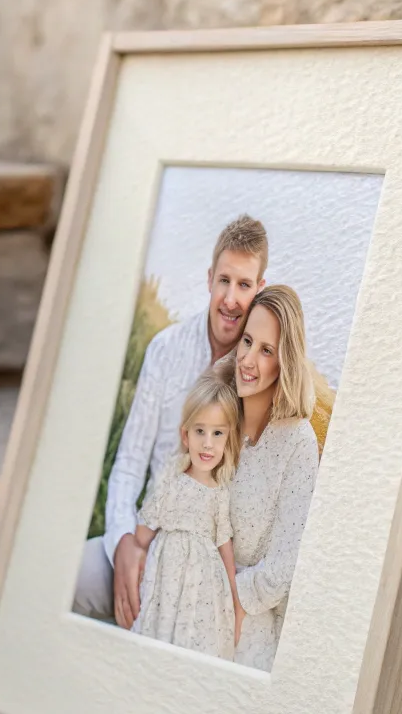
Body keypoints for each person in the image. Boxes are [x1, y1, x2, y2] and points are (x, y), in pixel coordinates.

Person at [73, 213, 268, 625]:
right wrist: (124, 541)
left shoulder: (255, 376)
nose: (232, 299)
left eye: (245, 285)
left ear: (259, 289)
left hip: (200, 566)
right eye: (225, 281)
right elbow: (129, 462)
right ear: (210, 278)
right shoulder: (165, 350)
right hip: (144, 538)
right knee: (74, 573)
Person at [223, 285, 320, 671]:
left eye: (265, 351)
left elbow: (281, 571)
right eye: (247, 341)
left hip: (250, 617)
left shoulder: (298, 443)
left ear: (285, 360)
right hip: (193, 583)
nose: (247, 360)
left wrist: (230, 596)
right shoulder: (219, 416)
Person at [129, 373, 243, 661]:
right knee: (161, 625)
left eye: (218, 433)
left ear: (229, 438)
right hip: (168, 571)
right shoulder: (172, 477)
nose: (207, 444)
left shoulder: (219, 491)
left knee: (195, 635)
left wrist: (232, 592)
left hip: (203, 580)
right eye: (200, 431)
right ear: (185, 435)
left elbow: (223, 542)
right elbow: (146, 527)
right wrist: (139, 549)